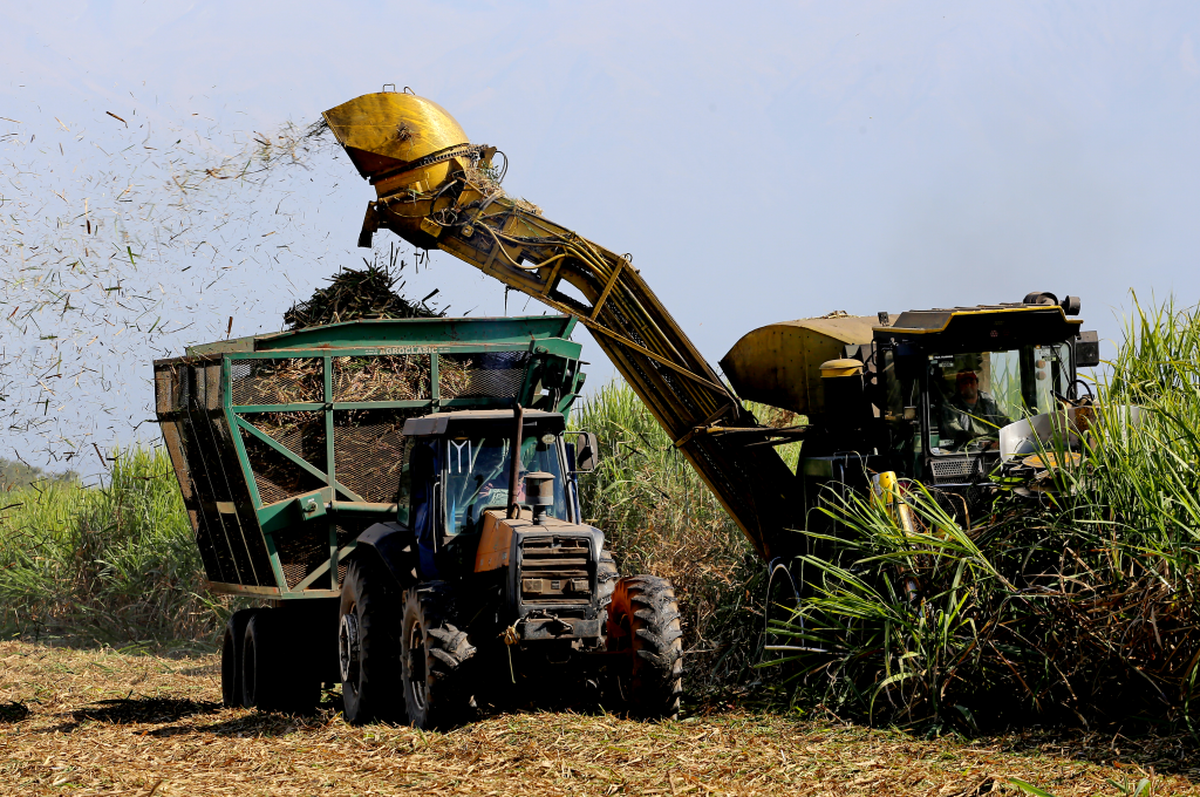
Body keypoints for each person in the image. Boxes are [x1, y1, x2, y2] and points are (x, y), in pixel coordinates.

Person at [940, 369, 1010, 448]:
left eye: (971, 382)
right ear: (958, 386)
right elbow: (952, 426)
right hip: (968, 451)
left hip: (994, 448)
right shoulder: (952, 406)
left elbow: (1005, 422)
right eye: (964, 382)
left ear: (977, 384)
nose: (968, 385)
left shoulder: (989, 402)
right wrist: (966, 435)